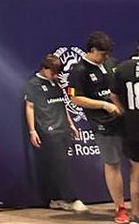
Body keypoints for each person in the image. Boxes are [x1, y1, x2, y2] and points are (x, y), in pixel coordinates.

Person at [68, 31, 129, 224]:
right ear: (92, 50)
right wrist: (104, 105)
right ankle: (120, 208)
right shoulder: (78, 70)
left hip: (126, 121)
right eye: (102, 54)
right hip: (103, 125)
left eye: (108, 54)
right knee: (112, 163)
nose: (106, 57)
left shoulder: (112, 64)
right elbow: (75, 98)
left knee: (136, 162)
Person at [24, 54, 86, 212]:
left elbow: (63, 105)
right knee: (60, 164)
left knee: (60, 165)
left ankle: (56, 198)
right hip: (48, 129)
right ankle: (71, 199)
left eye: (57, 73)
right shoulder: (33, 84)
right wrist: (32, 130)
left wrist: (71, 124)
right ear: (45, 68)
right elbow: (30, 107)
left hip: (63, 128)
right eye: (53, 72)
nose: (55, 75)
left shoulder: (57, 83)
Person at [110, 38, 139, 223]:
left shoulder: (122, 68)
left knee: (136, 171)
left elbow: (113, 95)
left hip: (132, 127)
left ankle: (136, 213)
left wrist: (124, 111)